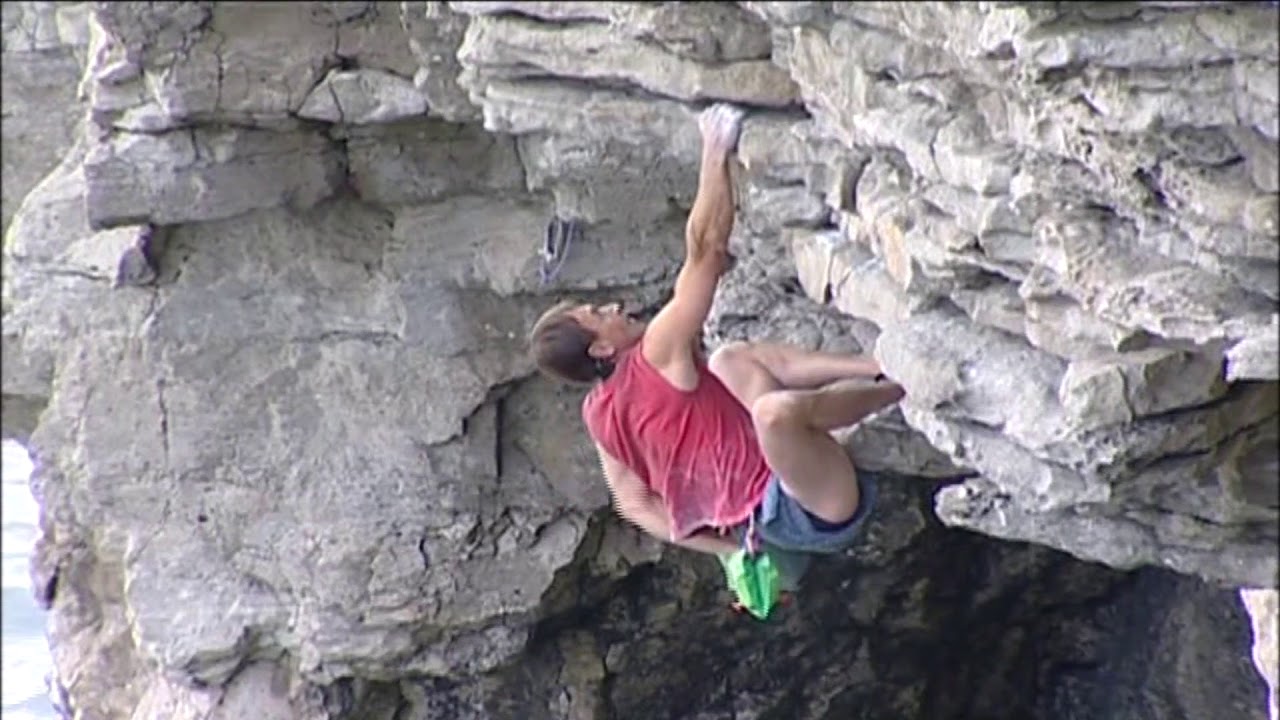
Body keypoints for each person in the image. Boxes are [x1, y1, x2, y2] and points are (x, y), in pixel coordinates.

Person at [528, 103, 906, 564]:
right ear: (602, 347)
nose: (614, 308)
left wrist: (728, 552)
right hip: (806, 512)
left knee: (729, 360)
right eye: (598, 314)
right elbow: (706, 252)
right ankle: (895, 387)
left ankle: (870, 366)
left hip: (772, 497)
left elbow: (634, 505)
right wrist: (714, 150)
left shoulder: (599, 415)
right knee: (772, 413)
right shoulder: (654, 353)